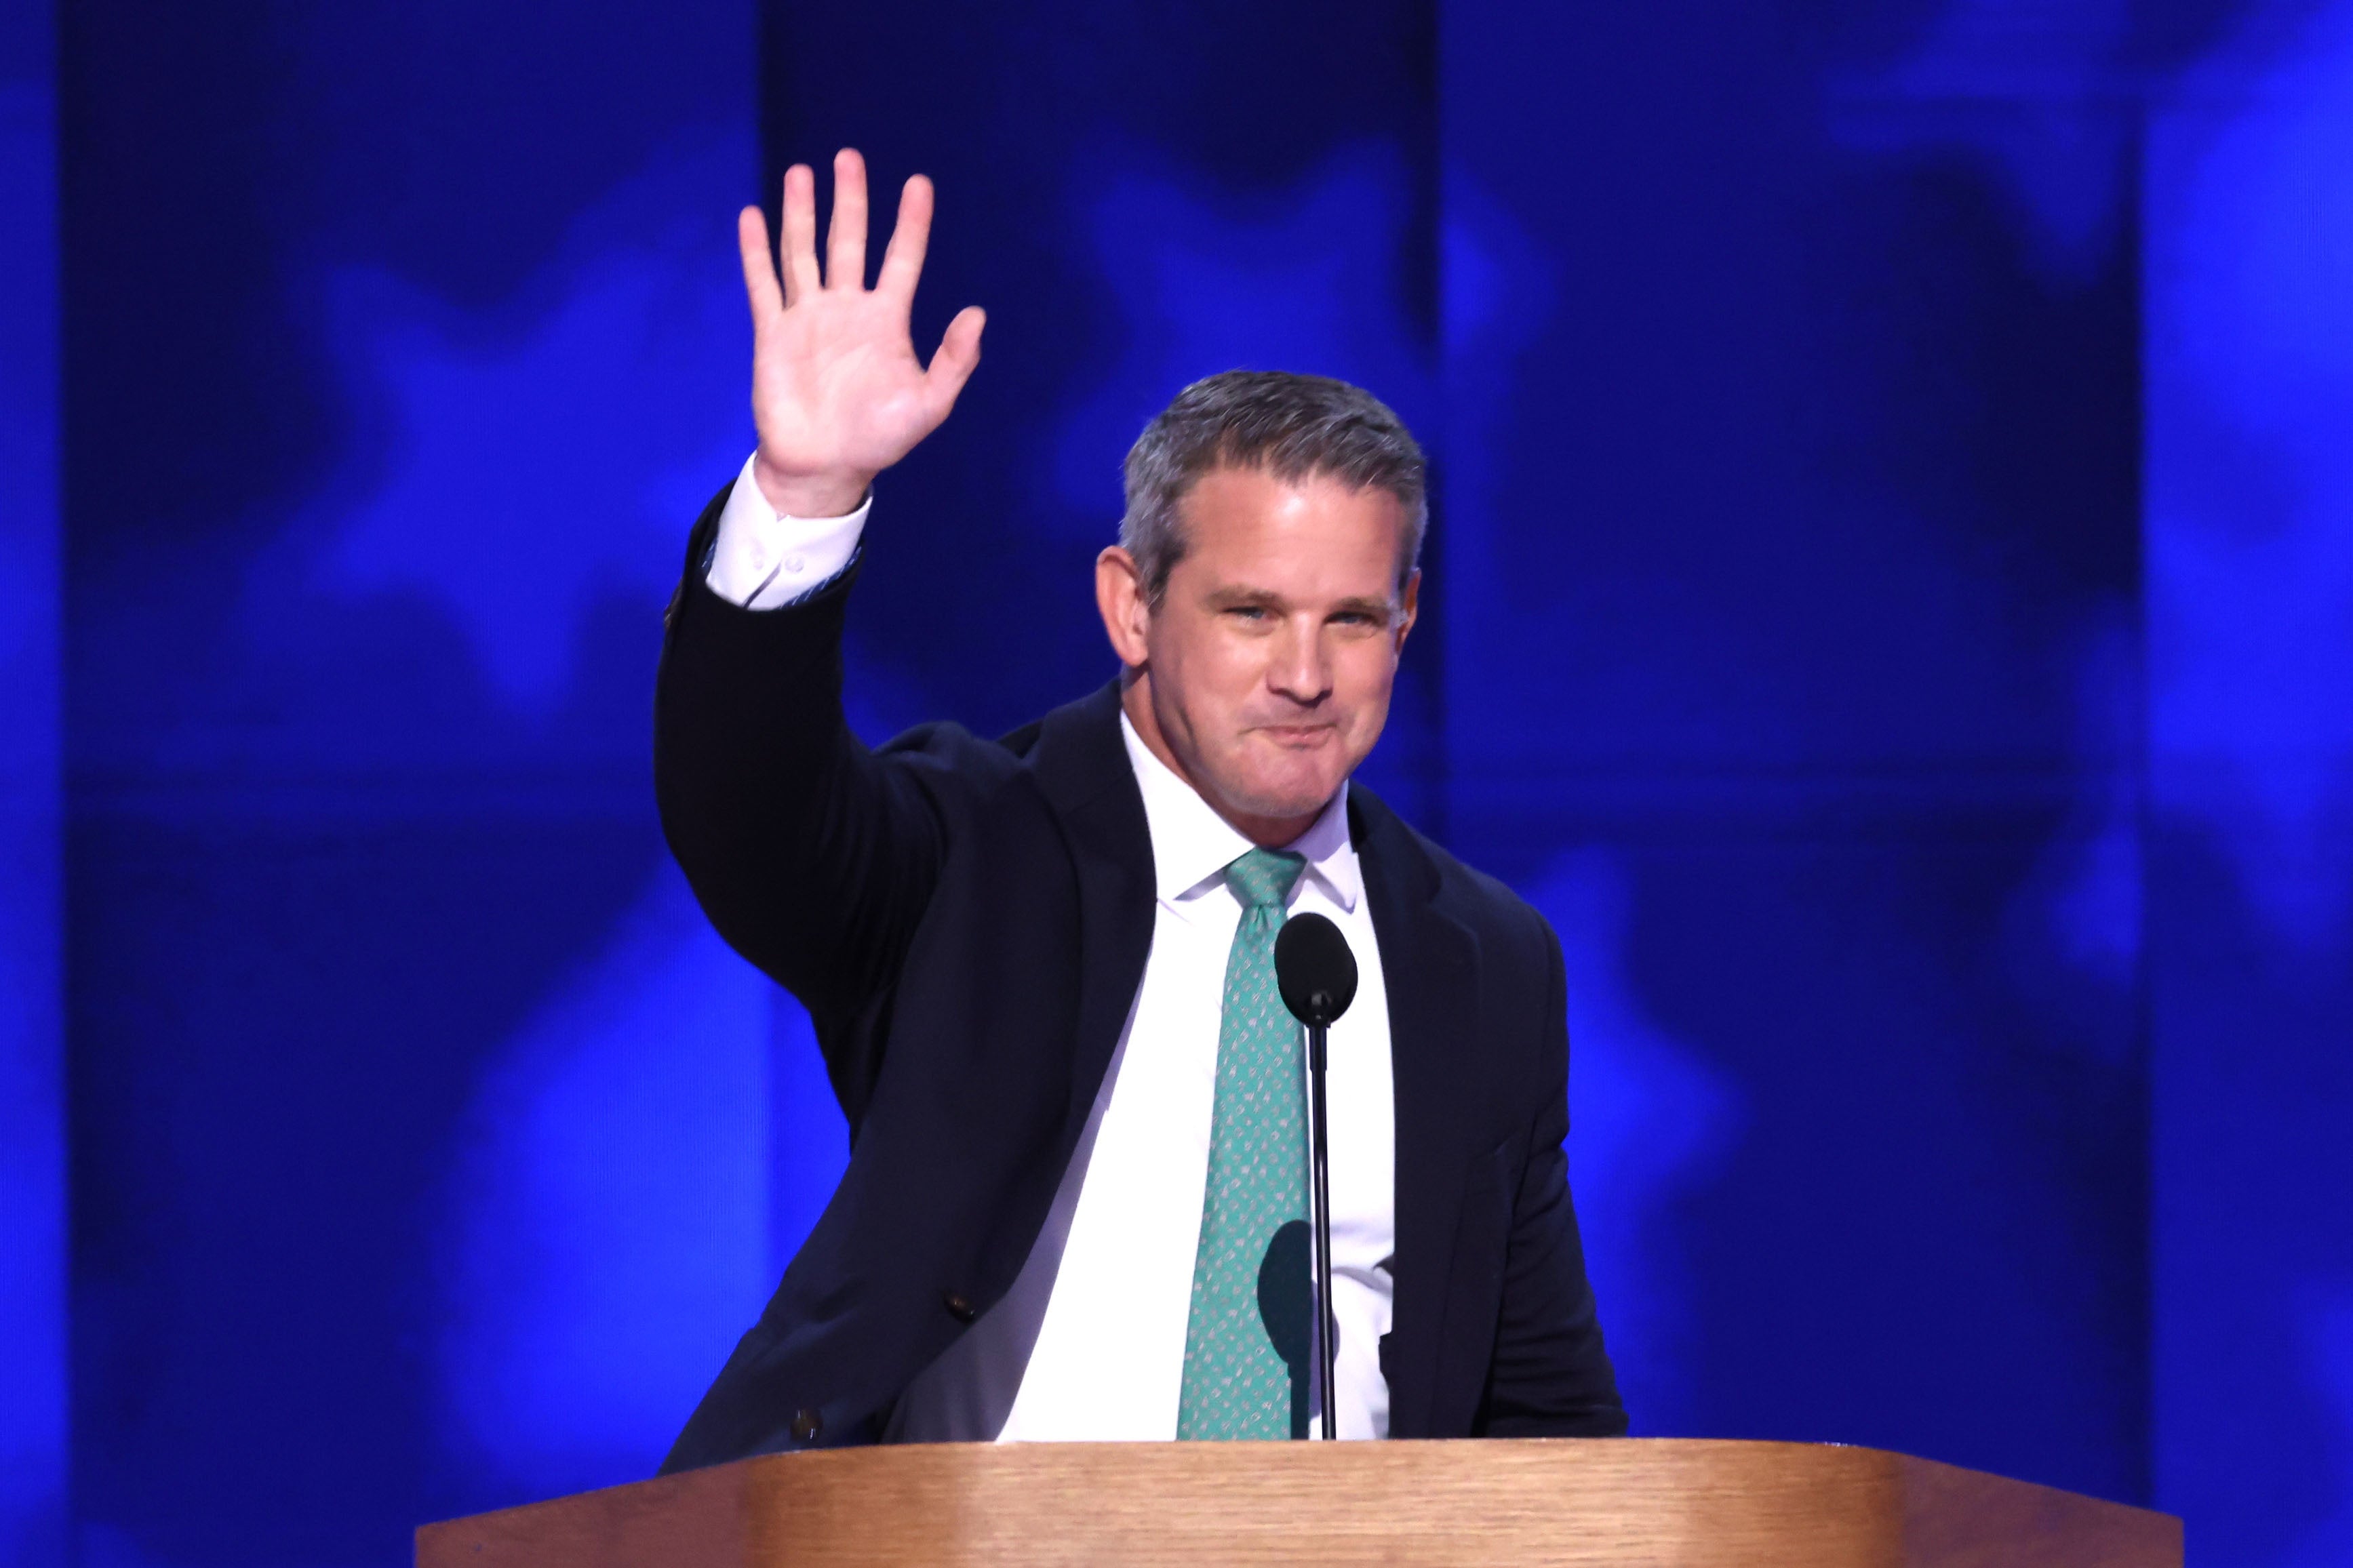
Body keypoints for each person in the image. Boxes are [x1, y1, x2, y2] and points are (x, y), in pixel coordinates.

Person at [655, 148, 1624, 1470]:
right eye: (1248, 612)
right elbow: (750, 817)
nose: (1302, 672)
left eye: (1350, 618)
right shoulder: (973, 850)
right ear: (1130, 605)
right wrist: (805, 501)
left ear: (1405, 621)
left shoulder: (1486, 957)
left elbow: (1542, 1415)